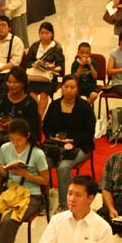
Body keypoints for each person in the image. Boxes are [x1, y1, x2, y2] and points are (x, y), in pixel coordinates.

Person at [42, 76, 96, 212]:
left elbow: (89, 132)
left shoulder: (84, 107)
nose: (69, 90)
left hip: (80, 145)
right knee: (42, 163)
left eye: (72, 87)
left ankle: (64, 205)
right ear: (62, 88)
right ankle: (43, 200)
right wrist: (53, 137)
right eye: (66, 87)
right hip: (56, 146)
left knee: (63, 167)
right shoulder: (54, 105)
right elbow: (46, 126)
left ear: (77, 89)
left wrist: (73, 141)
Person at [0, 67, 41, 152]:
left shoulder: (30, 103)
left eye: (15, 82)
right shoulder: (1, 99)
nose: (11, 85)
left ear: (23, 83)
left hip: (21, 137)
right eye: (9, 82)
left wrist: (13, 126)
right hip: (0, 134)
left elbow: (32, 129)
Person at [24, 21, 64, 118]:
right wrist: (34, 64)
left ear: (52, 34)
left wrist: (53, 67)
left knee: (44, 94)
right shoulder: (35, 46)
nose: (44, 36)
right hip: (35, 76)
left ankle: (39, 118)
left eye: (47, 33)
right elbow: (27, 63)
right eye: (42, 33)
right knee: (32, 93)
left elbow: (60, 66)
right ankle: (37, 116)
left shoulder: (56, 47)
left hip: (49, 78)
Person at [70, 41, 99, 105]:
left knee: (94, 95)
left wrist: (90, 65)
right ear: (78, 53)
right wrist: (81, 66)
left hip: (90, 86)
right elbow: (75, 78)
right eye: (82, 53)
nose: (84, 55)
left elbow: (95, 76)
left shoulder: (93, 62)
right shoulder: (75, 63)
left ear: (90, 54)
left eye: (87, 53)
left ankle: (83, 106)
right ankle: (82, 107)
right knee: (72, 95)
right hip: (78, 85)